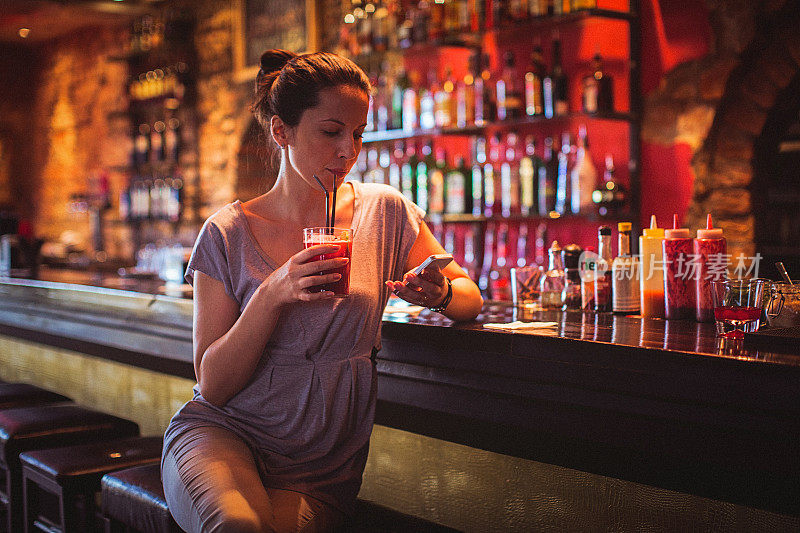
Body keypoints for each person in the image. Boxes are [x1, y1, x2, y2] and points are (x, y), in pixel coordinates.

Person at [161, 49, 483, 532]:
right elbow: (213, 384)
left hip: (320, 461)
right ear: (281, 132)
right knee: (237, 527)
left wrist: (436, 294)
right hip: (226, 433)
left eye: (357, 134)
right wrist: (273, 292)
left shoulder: (385, 212)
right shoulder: (226, 232)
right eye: (331, 132)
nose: (347, 152)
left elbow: (468, 296)